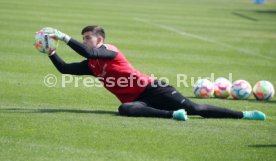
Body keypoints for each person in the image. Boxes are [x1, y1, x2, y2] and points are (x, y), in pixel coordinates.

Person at [44, 25, 266, 121]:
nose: (84, 41)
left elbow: (87, 51)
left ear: (99, 40)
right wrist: (51, 52)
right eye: (83, 38)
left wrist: (64, 37)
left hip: (155, 89)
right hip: (138, 100)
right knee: (125, 109)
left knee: (196, 108)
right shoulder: (90, 65)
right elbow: (65, 68)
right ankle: (173, 116)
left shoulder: (110, 50)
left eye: (87, 38)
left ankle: (244, 115)